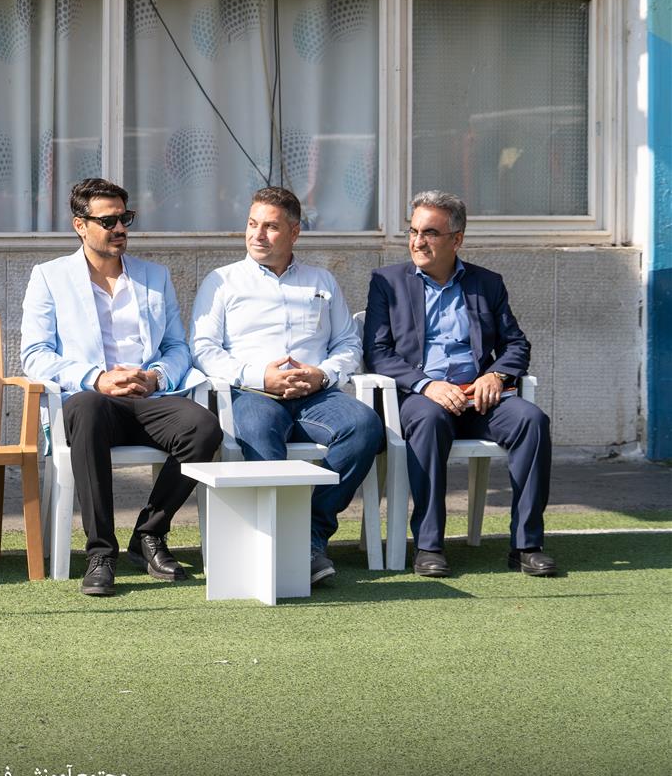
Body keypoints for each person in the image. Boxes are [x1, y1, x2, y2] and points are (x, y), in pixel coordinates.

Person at [20, 178, 222, 598]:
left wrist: (156, 377)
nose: (120, 228)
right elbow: (35, 355)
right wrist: (97, 378)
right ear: (80, 225)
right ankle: (100, 553)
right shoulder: (50, 277)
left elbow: (177, 347)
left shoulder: (153, 276)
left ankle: (149, 533)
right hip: (92, 402)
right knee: (89, 407)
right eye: (108, 221)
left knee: (204, 427)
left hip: (149, 399)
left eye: (125, 218)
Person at [190, 187, 385, 585]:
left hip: (318, 397)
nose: (257, 234)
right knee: (258, 429)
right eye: (252, 224)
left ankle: (308, 536)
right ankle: (278, 543)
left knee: (364, 426)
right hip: (252, 394)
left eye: (271, 227)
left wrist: (322, 374)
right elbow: (203, 348)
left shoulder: (321, 280)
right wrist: (260, 376)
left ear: (294, 232)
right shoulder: (222, 281)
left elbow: (348, 343)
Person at [364, 191, 555, 578]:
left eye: (430, 233)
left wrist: (496, 375)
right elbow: (377, 352)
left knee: (532, 421)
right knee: (429, 420)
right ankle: (429, 546)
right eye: (413, 231)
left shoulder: (487, 283)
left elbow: (516, 344)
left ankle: (526, 545)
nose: (418, 242)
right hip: (423, 399)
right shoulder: (388, 282)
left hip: (479, 399)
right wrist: (426, 385)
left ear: (457, 239)